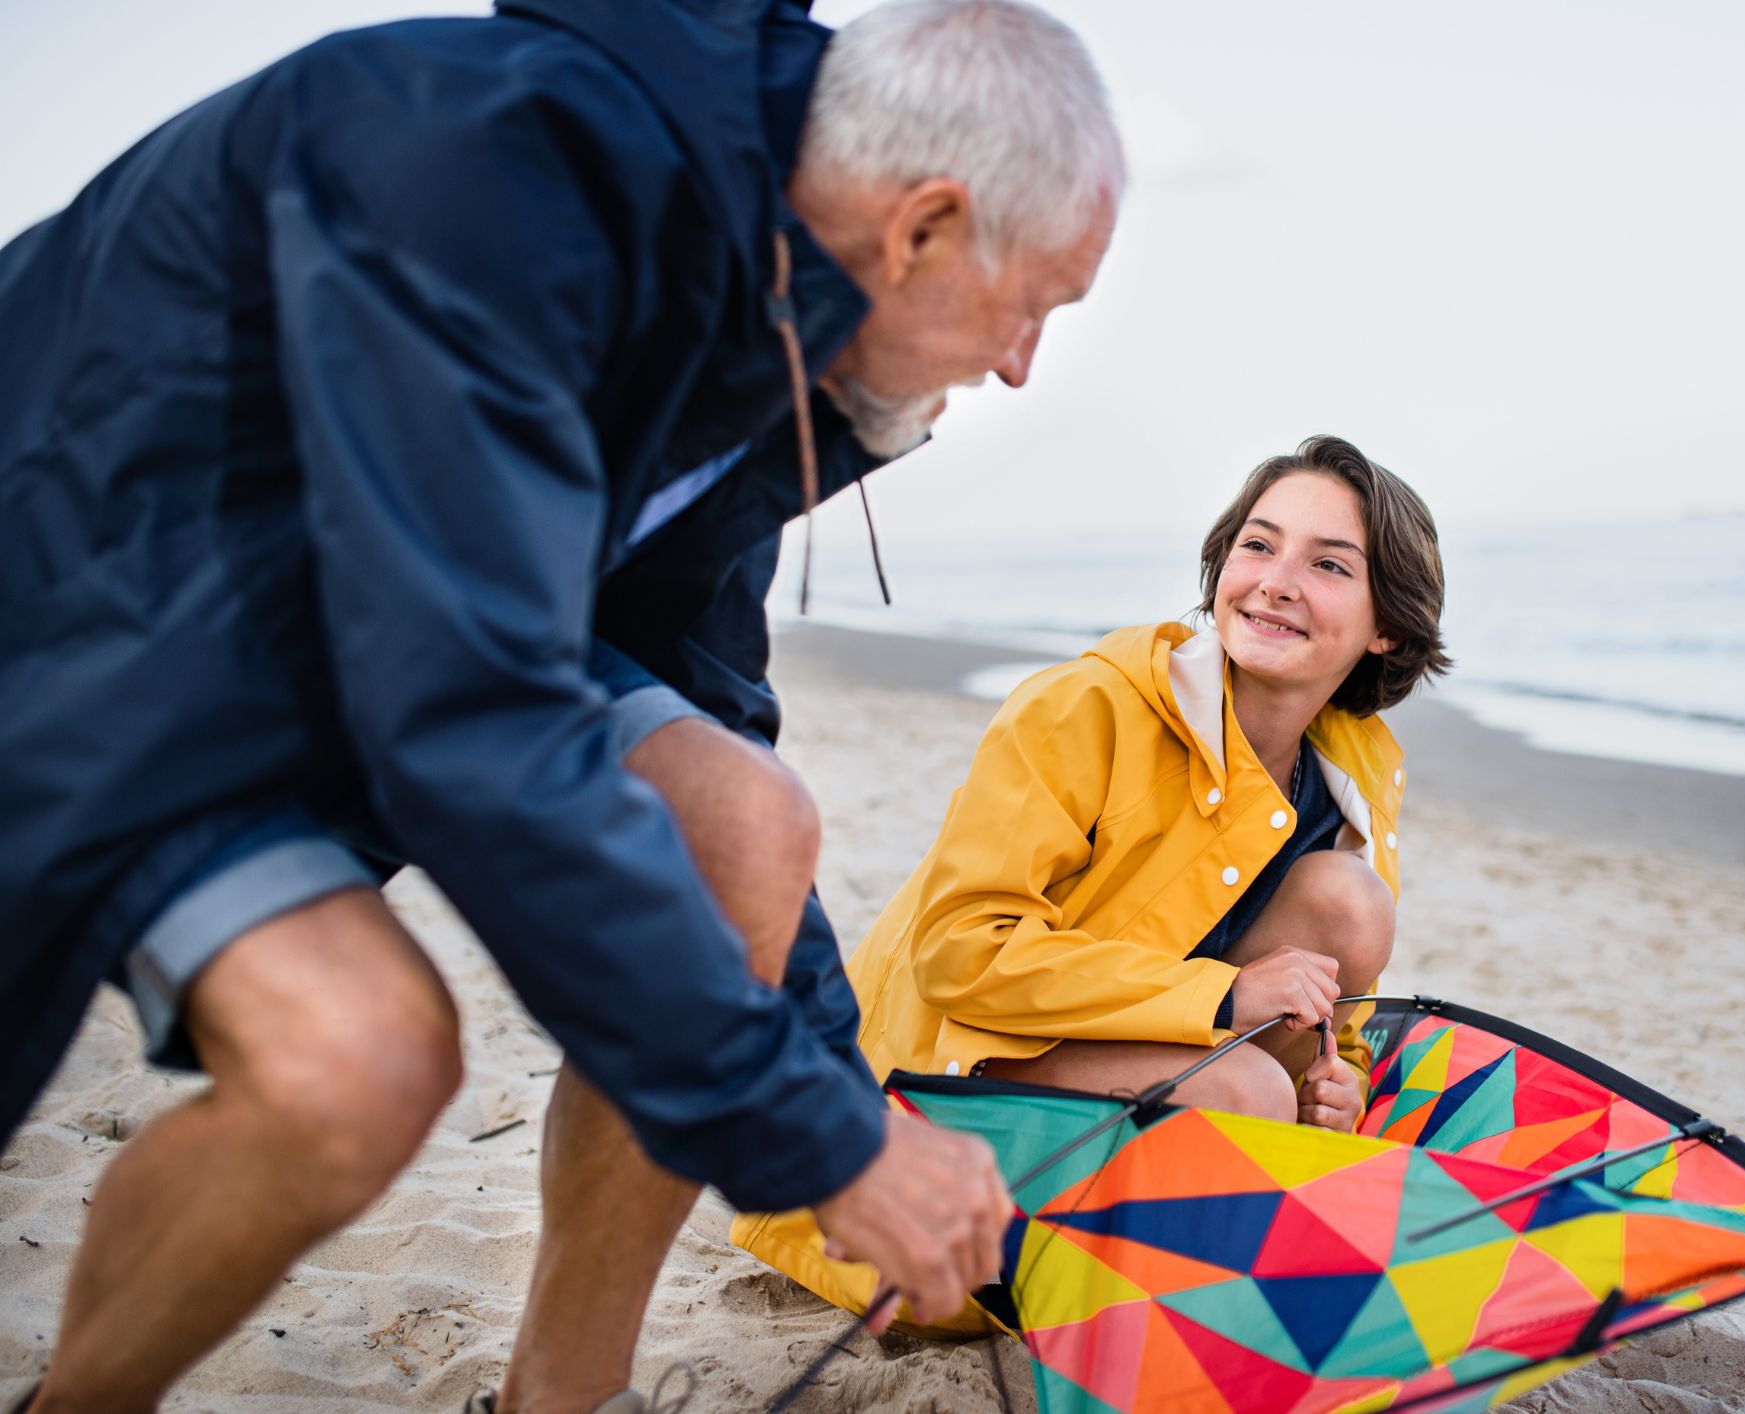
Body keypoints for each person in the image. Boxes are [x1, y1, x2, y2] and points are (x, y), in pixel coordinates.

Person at [0, 1, 1121, 1410]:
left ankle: (559, 1398)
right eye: (1037, 305)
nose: (1020, 362)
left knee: (742, 816)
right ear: (922, 228)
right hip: (111, 619)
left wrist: (844, 1101)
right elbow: (468, 707)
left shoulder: (765, 323)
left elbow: (703, 694)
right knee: (360, 1055)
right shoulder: (494, 159)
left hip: (362, 647)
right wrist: (821, 1147)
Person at [731, 433, 1451, 1329]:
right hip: (939, 1094)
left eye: (1328, 564)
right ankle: (1168, 1295)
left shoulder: (1351, 770)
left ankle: (1208, 1242)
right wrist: (1223, 996)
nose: (1273, 580)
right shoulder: (1084, 708)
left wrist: (1331, 1083)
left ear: (1387, 623)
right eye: (1257, 544)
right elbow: (956, 954)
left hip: (1126, 1072)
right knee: (1244, 1094)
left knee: (1348, 905)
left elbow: (1317, 1010)